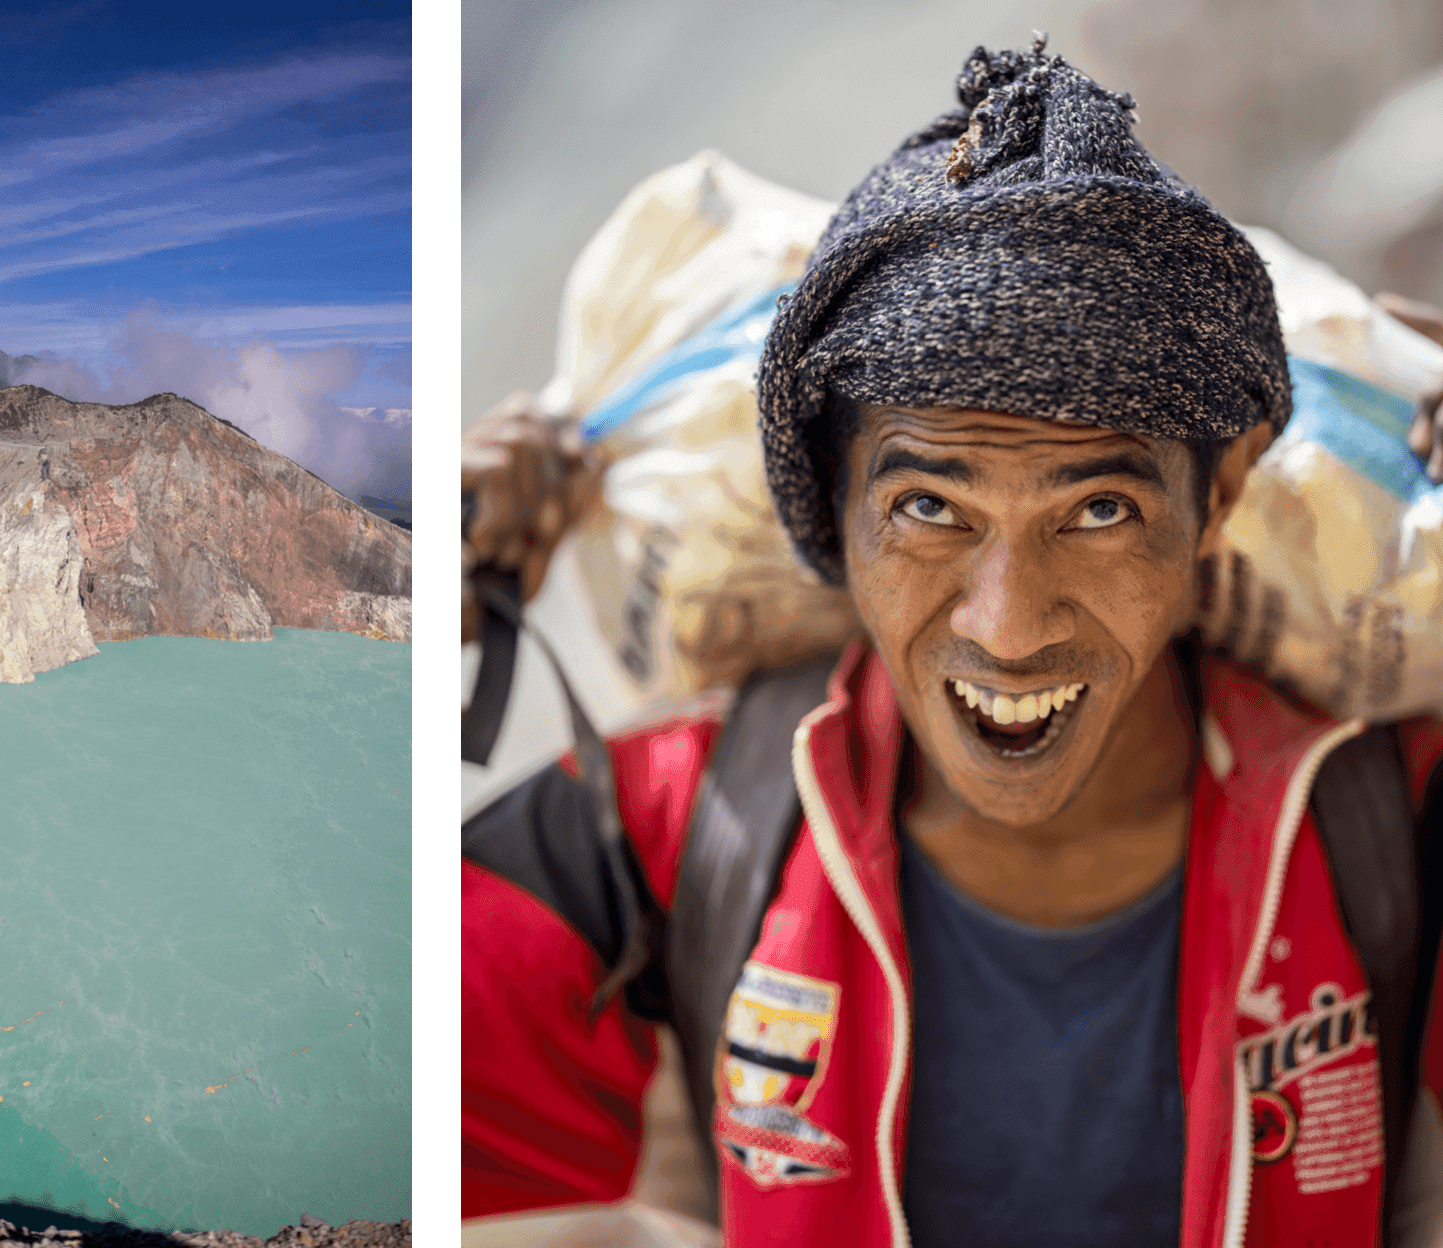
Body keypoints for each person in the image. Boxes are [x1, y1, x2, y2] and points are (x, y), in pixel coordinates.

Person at [462, 40, 1443, 1248]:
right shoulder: (660, 828)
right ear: (833, 503)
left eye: (1099, 511)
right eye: (930, 508)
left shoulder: (1389, 815)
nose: (1009, 624)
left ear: (1223, 493)